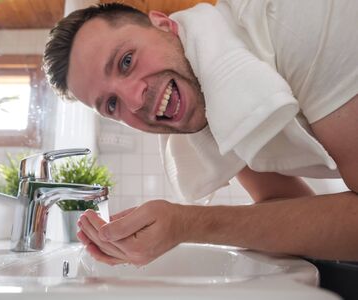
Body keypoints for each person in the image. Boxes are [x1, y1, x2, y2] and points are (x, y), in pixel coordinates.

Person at [43, 1, 358, 268]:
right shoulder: (216, 105)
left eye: (126, 61)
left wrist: (188, 224)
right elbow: (288, 207)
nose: (135, 100)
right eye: (112, 104)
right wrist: (170, 228)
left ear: (164, 24)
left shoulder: (289, 18)